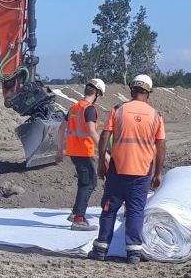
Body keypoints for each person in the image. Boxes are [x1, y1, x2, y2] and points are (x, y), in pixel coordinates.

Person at [90, 74, 166, 265]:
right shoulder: (156, 115)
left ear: (132, 90)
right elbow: (161, 145)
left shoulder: (119, 110)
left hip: (117, 169)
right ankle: (133, 253)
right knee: (135, 211)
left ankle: (101, 249)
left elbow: (105, 135)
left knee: (109, 209)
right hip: (141, 172)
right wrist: (157, 173)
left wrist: (101, 163)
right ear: (148, 93)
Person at [56, 78, 106, 231]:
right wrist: (104, 152)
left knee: (84, 182)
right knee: (89, 183)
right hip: (84, 151)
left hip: (73, 151)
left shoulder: (74, 107)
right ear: (97, 93)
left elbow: (61, 129)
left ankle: (75, 212)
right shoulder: (89, 109)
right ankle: (78, 219)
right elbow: (91, 131)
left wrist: (60, 150)